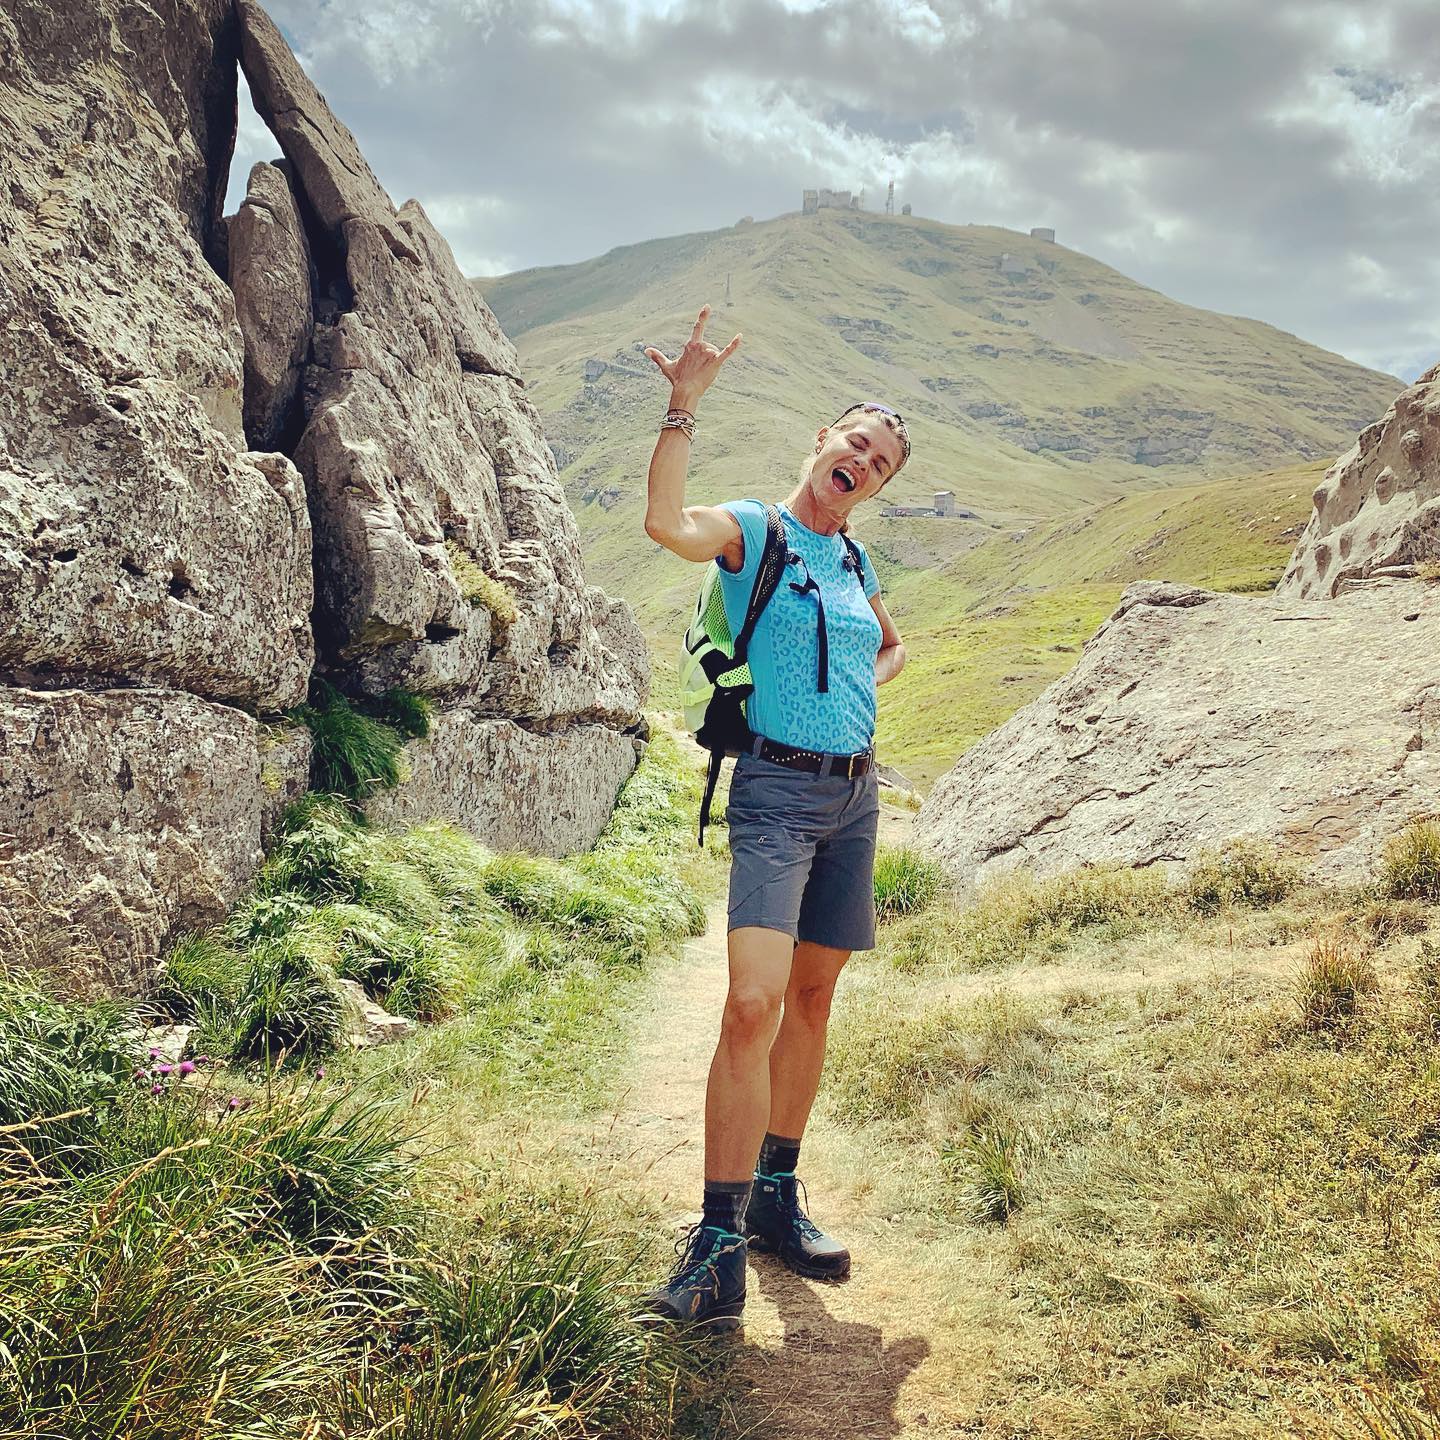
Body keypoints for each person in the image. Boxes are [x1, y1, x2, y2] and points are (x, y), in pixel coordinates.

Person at [639, 304, 909, 1330]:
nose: (864, 465)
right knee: (752, 1002)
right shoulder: (758, 529)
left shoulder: (854, 564)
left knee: (812, 998)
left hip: (855, 794)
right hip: (777, 792)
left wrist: (867, 685)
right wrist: (682, 407)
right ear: (822, 441)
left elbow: (890, 645)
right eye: (857, 444)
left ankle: (779, 1198)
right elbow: (668, 527)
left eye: (881, 464)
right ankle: (714, 1240)